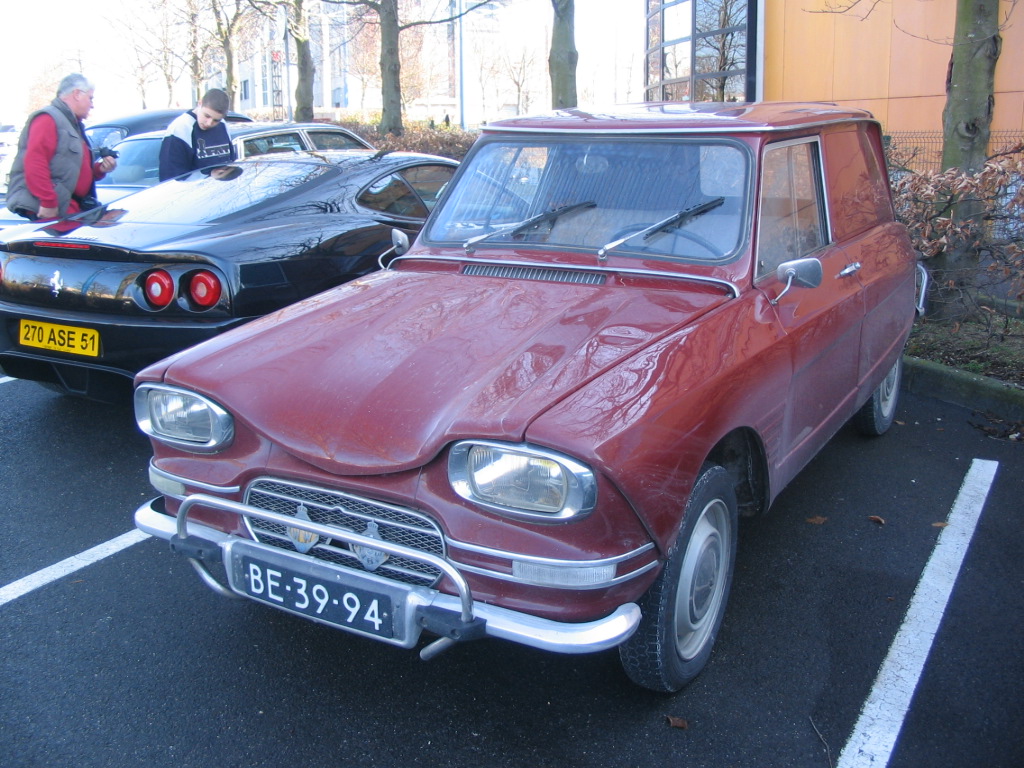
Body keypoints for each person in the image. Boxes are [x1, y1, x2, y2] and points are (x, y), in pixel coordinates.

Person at [6, 73, 117, 221]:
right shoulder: (47, 119)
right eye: (90, 98)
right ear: (77, 94)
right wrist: (49, 202)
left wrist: (99, 170)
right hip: (51, 211)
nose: (92, 105)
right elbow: (35, 162)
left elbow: (69, 169)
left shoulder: (72, 124)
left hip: (71, 208)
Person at [158, 89, 236, 181]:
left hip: (221, 191)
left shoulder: (222, 124)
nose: (209, 123)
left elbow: (231, 162)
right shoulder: (180, 128)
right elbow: (171, 179)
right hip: (193, 193)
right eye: (207, 116)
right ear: (200, 103)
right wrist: (209, 176)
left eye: (216, 120)